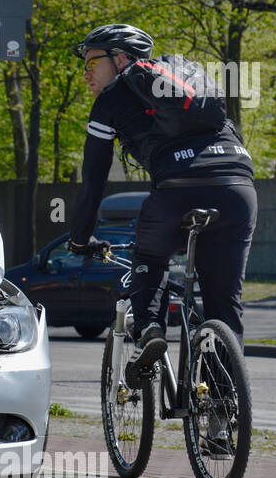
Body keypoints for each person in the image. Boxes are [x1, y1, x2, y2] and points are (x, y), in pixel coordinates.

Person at [66, 23, 257, 385]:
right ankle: (220, 421)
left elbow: (93, 180)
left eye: (92, 64)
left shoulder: (111, 98)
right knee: (224, 305)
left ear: (120, 58)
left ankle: (152, 329)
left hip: (177, 189)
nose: (87, 76)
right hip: (239, 186)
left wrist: (81, 238)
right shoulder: (189, 81)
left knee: (151, 257)